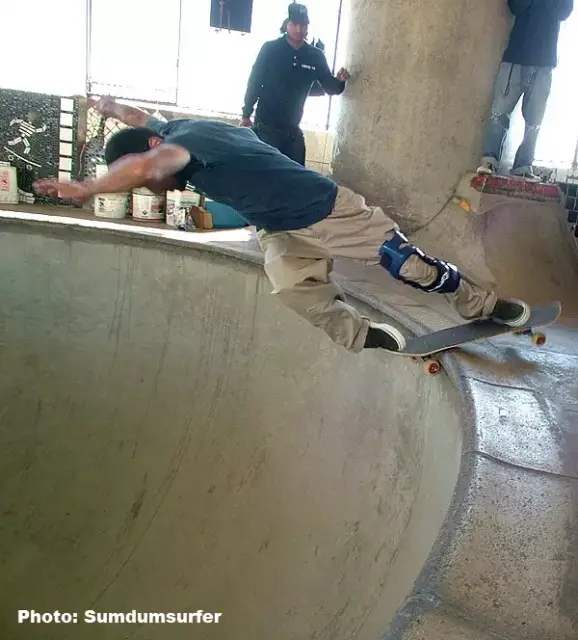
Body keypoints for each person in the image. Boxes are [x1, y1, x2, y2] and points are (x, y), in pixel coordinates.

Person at [34, 97, 531, 353]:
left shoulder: (179, 147)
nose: (154, 185)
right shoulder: (166, 129)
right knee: (294, 288)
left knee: (408, 267)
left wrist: (86, 189)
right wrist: (107, 108)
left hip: (326, 210)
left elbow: (144, 165)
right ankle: (364, 337)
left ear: (150, 153)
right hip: (277, 226)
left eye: (151, 178)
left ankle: (484, 304)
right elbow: (138, 117)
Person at [239, 3, 350, 165]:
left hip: (292, 129)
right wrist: (246, 114)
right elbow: (255, 81)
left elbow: (329, 87)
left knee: (297, 177)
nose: (299, 29)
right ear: (287, 24)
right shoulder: (270, 49)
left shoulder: (315, 55)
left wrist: (340, 81)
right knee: (267, 175)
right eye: (295, 24)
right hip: (266, 126)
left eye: (303, 25)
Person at [477, 0, 573, 181]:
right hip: (516, 56)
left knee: (534, 121)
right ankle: (490, 161)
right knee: (499, 113)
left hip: (544, 63)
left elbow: (563, 13)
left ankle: (522, 166)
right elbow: (516, 6)